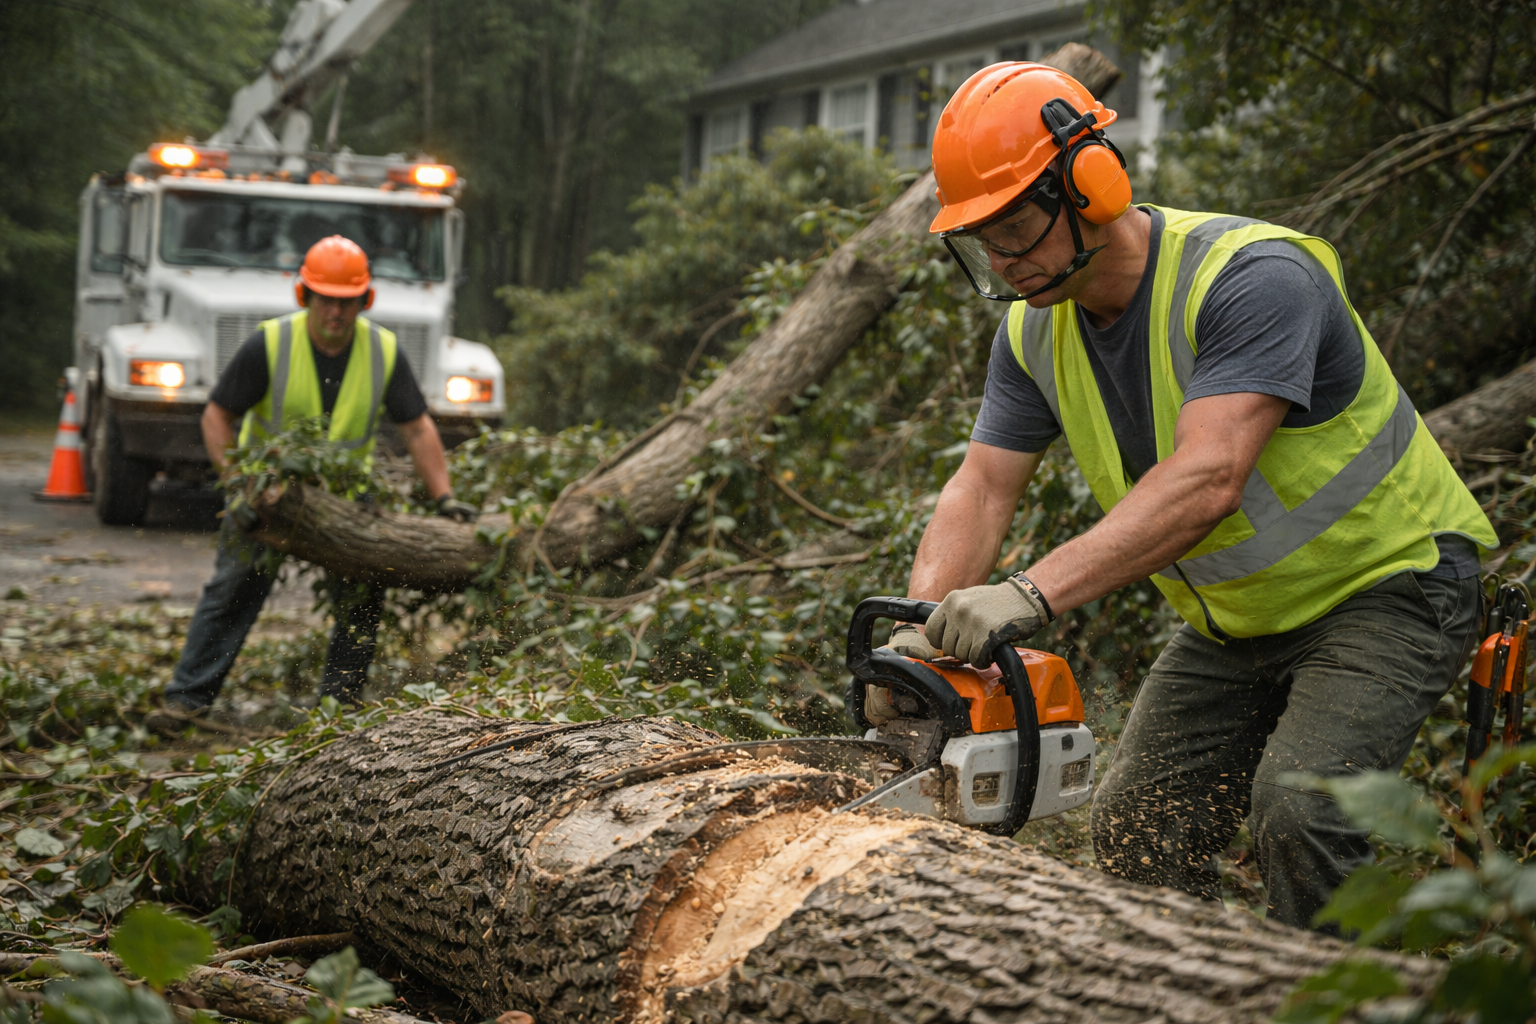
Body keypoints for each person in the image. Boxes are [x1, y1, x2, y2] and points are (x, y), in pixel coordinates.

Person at [879, 63, 1495, 929]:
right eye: (981, 239)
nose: (1003, 259)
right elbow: (981, 485)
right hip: (1237, 623)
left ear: (1091, 183)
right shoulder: (1031, 332)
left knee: (1301, 809)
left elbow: (1209, 480)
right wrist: (922, 625)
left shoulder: (1254, 277)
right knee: (1137, 824)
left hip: (1387, 587)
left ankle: (1333, 995)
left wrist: (1026, 594)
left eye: (1015, 226)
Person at [162, 235, 478, 714]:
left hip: (346, 501)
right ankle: (186, 700)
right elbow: (216, 416)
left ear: (363, 301)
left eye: (347, 302)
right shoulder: (269, 343)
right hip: (266, 496)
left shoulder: (384, 351)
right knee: (235, 584)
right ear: (305, 296)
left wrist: (445, 499)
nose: (336, 312)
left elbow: (417, 429)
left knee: (364, 589)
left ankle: (339, 705)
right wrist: (237, 485)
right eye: (326, 300)